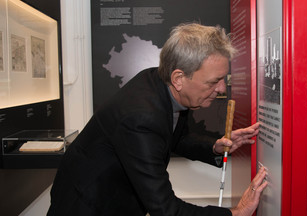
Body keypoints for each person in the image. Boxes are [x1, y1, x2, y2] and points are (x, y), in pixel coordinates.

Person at [48, 23, 267, 216]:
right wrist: (235, 214)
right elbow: (166, 210)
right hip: (89, 205)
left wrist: (215, 147)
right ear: (179, 78)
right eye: (213, 82)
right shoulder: (140, 117)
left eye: (223, 80)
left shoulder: (162, 83)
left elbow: (174, 137)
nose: (221, 89)